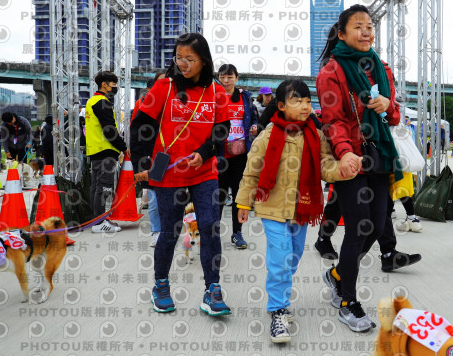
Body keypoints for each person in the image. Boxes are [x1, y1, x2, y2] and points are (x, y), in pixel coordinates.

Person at [235, 79, 358, 343]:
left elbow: (325, 165)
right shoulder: (268, 135)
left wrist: (342, 170)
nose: (304, 106)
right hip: (272, 208)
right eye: (297, 101)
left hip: (301, 209)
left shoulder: (316, 135)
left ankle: (279, 290)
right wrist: (243, 203)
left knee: (293, 257)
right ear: (281, 106)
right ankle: (278, 309)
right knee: (280, 259)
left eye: (307, 101)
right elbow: (252, 171)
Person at [130, 33, 232, 316]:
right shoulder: (165, 87)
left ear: (204, 61)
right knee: (170, 230)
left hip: (204, 171)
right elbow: (140, 125)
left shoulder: (216, 91)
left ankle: (212, 290)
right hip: (168, 172)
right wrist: (142, 163)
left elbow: (221, 129)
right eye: (179, 58)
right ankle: (161, 286)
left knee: (209, 226)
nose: (183, 64)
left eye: (190, 59)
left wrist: (205, 152)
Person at [316, 4, 403, 332]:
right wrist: (344, 154)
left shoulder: (382, 68)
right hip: (350, 158)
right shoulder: (331, 71)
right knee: (358, 228)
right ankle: (348, 301)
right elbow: (333, 120)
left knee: (377, 227)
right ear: (341, 34)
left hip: (378, 155)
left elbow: (394, 115)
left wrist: (388, 105)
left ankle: (338, 274)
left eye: (369, 26)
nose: (366, 32)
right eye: (358, 26)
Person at [315, 184, 423, 263]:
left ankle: (388, 252)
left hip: (377, 164)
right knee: (340, 197)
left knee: (382, 202)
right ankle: (323, 239)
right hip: (351, 164)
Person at [217, 64, 258, 249]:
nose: (226, 81)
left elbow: (254, 119)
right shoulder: (213, 96)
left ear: (237, 78)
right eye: (222, 77)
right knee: (218, 195)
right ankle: (213, 234)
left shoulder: (245, 97)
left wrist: (254, 127)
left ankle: (237, 233)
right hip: (219, 154)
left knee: (238, 195)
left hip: (240, 154)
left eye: (230, 77)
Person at [85, 71, 129, 233]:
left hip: (95, 149)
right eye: (114, 84)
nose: (115, 87)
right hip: (105, 149)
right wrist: (123, 147)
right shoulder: (102, 102)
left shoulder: (92, 101)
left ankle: (98, 219)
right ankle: (99, 223)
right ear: (104, 84)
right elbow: (109, 130)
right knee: (104, 187)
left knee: (96, 186)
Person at [132, 72, 165, 248]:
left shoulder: (177, 104)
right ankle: (156, 231)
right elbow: (135, 135)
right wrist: (139, 164)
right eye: (160, 83)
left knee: (171, 198)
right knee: (153, 198)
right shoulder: (143, 106)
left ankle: (169, 231)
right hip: (153, 158)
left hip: (172, 158)